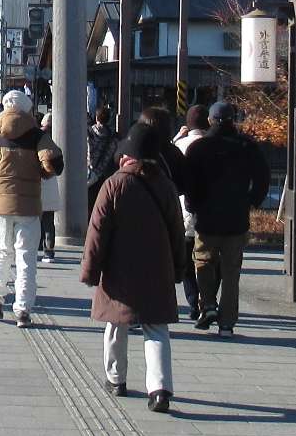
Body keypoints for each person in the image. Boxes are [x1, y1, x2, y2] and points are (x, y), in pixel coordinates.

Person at [81, 118, 187, 409]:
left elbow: (97, 232)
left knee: (116, 324)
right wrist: (179, 266)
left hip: (120, 268)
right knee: (156, 328)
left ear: (128, 155)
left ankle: (116, 379)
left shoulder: (114, 184)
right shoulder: (165, 185)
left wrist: (91, 270)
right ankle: (160, 388)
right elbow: (177, 230)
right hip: (158, 266)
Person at [183, 99, 270, 335]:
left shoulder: (199, 147)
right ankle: (227, 323)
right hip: (237, 218)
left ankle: (208, 304)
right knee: (232, 271)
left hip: (207, 217)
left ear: (210, 120)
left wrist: (193, 205)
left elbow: (189, 183)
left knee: (202, 261)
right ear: (234, 120)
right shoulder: (246, 146)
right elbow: (263, 177)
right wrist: (252, 201)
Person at [0, 89, 63, 326]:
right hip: (28, 205)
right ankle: (22, 309)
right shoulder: (36, 134)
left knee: (2, 251)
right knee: (26, 258)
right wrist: (41, 174)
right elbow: (54, 162)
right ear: (26, 107)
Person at [171, 103, 209, 322]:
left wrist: (177, 137)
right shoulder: (213, 144)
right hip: (209, 212)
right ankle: (207, 300)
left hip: (184, 210)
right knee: (207, 260)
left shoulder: (180, 145)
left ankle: (192, 301)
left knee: (186, 260)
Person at [38, 111, 62, 262]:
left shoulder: (37, 138)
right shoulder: (58, 137)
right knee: (49, 221)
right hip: (52, 182)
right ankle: (49, 250)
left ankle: (38, 246)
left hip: (38, 182)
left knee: (35, 219)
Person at [86, 103, 119, 211]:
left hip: (86, 174)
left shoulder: (88, 133)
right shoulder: (112, 138)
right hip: (102, 177)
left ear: (96, 118)